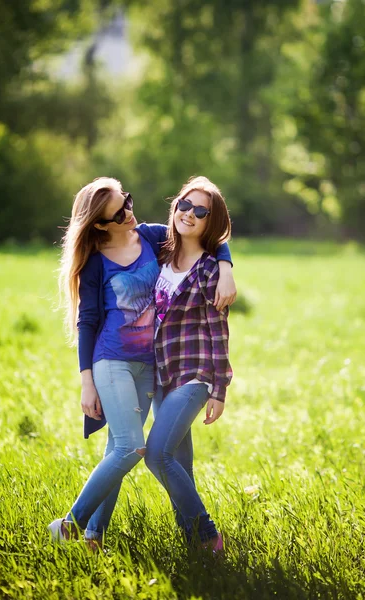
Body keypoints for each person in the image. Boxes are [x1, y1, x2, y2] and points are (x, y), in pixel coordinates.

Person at [48, 177, 236, 550]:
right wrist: (86, 380)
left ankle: (97, 535)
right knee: (131, 450)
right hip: (127, 363)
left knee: (136, 451)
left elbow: (209, 234)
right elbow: (86, 321)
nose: (130, 211)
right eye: (120, 212)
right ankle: (80, 530)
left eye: (128, 201)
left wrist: (226, 267)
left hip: (168, 368)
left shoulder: (152, 239)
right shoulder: (114, 257)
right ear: (101, 223)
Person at [145, 176, 233, 554]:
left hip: (193, 375)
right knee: (179, 461)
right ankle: (191, 544)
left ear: (210, 222)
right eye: (185, 204)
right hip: (159, 374)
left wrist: (220, 387)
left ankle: (206, 534)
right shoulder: (157, 252)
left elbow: (219, 331)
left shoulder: (211, 269)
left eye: (201, 211)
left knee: (156, 455)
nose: (189, 214)